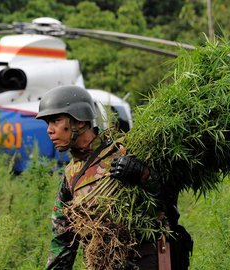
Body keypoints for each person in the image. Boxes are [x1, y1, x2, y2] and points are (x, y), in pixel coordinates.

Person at [36, 85, 192, 269]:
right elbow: (62, 241)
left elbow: (168, 203)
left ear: (79, 121)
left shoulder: (126, 150)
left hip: (146, 260)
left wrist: (143, 174)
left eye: (56, 120)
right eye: (48, 123)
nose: (49, 130)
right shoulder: (71, 175)